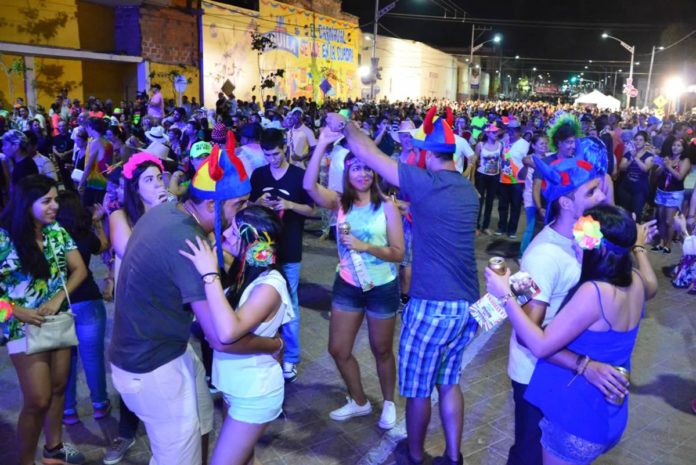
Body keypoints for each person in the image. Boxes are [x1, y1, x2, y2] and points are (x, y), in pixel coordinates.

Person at [108, 143, 281, 465]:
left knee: (202, 421)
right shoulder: (190, 243)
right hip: (152, 365)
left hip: (165, 348)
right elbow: (221, 338)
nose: (242, 214)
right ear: (214, 206)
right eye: (239, 205)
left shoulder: (167, 210)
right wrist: (274, 343)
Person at [327, 107, 480, 465]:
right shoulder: (468, 191)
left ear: (427, 154)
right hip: (466, 302)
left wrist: (346, 125)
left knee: (416, 391)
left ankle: (413, 456)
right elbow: (436, 212)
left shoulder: (425, 182)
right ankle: (453, 456)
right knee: (449, 381)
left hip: (432, 303)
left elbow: (368, 153)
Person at [485, 204, 658, 465]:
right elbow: (652, 285)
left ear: (597, 249)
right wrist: (639, 248)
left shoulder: (595, 293)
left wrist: (505, 295)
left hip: (578, 418)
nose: (575, 246)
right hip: (607, 413)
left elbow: (540, 345)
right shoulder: (634, 281)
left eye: (579, 242)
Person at [506, 139, 636, 465]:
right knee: (529, 455)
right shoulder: (544, 254)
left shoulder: (586, 237)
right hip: (535, 374)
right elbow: (527, 332)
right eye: (591, 193)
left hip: (561, 376)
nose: (603, 196)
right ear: (565, 203)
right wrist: (584, 365)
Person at [304, 124, 403, 429]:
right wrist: (321, 143)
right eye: (356, 168)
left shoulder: (387, 207)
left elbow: (398, 253)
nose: (362, 174)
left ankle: (388, 402)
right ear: (347, 173)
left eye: (367, 169)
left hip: (381, 287)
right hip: (347, 284)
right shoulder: (340, 203)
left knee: (382, 349)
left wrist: (366, 246)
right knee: (338, 349)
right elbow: (309, 186)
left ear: (375, 174)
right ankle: (359, 401)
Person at [179, 205, 293, 465]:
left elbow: (228, 333)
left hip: (255, 393)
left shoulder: (269, 285)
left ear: (253, 241)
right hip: (235, 386)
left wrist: (209, 275)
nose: (226, 234)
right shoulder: (245, 271)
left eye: (234, 229)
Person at [0, 175, 88, 465]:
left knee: (58, 388)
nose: (55, 206)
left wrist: (57, 299)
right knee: (37, 398)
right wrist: (16, 311)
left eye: (56, 199)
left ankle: (54, 449)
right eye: (46, 201)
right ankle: (25, 460)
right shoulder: (3, 237)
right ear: (27, 203)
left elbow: (79, 270)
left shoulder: (56, 231)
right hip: (21, 326)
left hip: (56, 321)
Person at [104, 152, 168, 464]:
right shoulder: (119, 217)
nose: (157, 183)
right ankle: (126, 433)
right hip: (132, 310)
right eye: (149, 179)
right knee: (133, 372)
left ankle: (165, 433)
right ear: (134, 186)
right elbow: (135, 255)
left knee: (164, 368)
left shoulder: (168, 213)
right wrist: (160, 213)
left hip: (164, 305)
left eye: (159, 177)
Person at [250, 128, 315, 383]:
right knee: (260, 303)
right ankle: (266, 353)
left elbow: (311, 210)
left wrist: (289, 205)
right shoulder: (259, 174)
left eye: (275, 154)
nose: (272, 159)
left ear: (284, 149)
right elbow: (248, 204)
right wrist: (259, 203)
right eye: (267, 154)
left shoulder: (299, 176)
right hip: (262, 250)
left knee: (291, 304)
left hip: (289, 250)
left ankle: (291, 358)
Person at [55, 191, 111, 426]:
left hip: (61, 305)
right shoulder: (84, 235)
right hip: (88, 301)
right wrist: (98, 222)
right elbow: (103, 247)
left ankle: (68, 410)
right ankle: (99, 405)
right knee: (93, 358)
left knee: (66, 360)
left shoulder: (51, 239)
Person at [653, 138, 691, 254]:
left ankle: (668, 244)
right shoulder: (667, 157)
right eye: (674, 145)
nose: (675, 147)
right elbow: (657, 174)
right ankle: (661, 242)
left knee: (669, 221)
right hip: (661, 191)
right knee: (661, 219)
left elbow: (679, 177)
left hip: (674, 194)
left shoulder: (685, 160)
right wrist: (663, 166)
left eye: (679, 146)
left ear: (683, 148)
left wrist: (669, 167)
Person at [496, 121, 530, 238]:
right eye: (509, 130)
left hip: (517, 182)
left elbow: (528, 162)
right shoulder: (504, 142)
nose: (511, 132)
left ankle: (512, 231)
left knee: (515, 207)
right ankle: (501, 227)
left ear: (519, 131)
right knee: (502, 206)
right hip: (503, 180)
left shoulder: (525, 144)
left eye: (514, 130)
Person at [617, 131, 654, 220]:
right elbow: (621, 167)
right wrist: (630, 159)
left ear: (645, 142)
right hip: (626, 187)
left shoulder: (649, 155)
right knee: (625, 213)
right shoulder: (629, 153)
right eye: (636, 140)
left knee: (636, 213)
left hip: (640, 188)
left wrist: (636, 158)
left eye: (641, 140)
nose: (638, 142)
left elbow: (645, 168)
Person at [474, 124, 502, 235]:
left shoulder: (500, 145)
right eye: (493, 132)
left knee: (490, 202)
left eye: (496, 132)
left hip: (494, 176)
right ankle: (476, 226)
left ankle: (485, 226)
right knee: (479, 201)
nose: (496, 134)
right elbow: (475, 159)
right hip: (482, 176)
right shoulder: (480, 145)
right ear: (487, 133)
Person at [79, 117, 113, 207]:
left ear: (91, 127)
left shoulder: (95, 142)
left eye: (87, 127)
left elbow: (89, 166)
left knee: (89, 212)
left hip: (95, 183)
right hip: (105, 181)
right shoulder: (108, 143)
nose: (86, 130)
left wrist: (81, 183)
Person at [2, 129, 38, 193]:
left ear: (16, 146)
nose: (3, 148)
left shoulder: (24, 168)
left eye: (5, 144)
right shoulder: (23, 163)